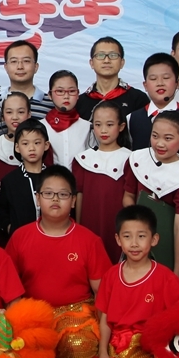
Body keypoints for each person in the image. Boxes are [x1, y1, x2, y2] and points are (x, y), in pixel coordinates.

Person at [6, 165, 110, 358]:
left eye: (63, 194)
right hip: (34, 314)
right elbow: (8, 291)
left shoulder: (89, 240)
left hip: (76, 314)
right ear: (38, 198)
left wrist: (106, 344)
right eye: (48, 193)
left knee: (79, 350)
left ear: (73, 201)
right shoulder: (20, 237)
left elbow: (103, 293)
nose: (55, 199)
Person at [88, 205, 179, 358]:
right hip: (116, 346)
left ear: (154, 239)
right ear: (118, 240)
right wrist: (103, 352)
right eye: (127, 236)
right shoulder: (112, 275)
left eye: (141, 236)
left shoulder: (165, 277)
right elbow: (105, 318)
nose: (134, 243)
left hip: (145, 348)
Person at [127, 52, 179, 220]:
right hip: (142, 213)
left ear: (177, 83)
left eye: (166, 78)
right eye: (153, 78)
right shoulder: (132, 119)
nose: (160, 83)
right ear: (145, 85)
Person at [123, 112, 179, 278]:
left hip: (168, 241)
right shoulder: (137, 159)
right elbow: (128, 196)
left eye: (168, 138)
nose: (160, 143)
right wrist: (136, 227)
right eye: (155, 136)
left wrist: (178, 272)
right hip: (138, 237)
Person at [72, 100, 132, 263]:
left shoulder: (130, 159)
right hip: (90, 222)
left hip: (117, 223)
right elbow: (79, 196)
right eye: (98, 125)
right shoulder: (83, 159)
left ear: (121, 126)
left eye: (109, 124)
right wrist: (78, 228)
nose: (103, 130)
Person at [0, 41, 55, 138]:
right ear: (6, 67)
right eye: (14, 61)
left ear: (36, 67)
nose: (20, 67)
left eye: (26, 61)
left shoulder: (51, 104)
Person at [0, 118, 49, 245]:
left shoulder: (54, 178)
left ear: (46, 145)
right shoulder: (10, 180)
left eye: (37, 143)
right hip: (20, 243)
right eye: (25, 143)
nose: (32, 148)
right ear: (17, 147)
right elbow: (0, 209)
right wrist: (9, 228)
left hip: (51, 240)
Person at [76, 37, 150, 121]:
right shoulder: (79, 102)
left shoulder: (138, 99)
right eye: (100, 55)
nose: (106, 60)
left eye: (113, 55)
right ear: (92, 63)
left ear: (122, 62)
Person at [0, 92, 31, 196]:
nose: (15, 117)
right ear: (2, 116)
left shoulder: (40, 145)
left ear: (29, 114)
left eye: (21, 112)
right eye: (9, 112)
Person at [44, 70, 91, 165]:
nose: (66, 96)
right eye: (60, 91)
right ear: (50, 95)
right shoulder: (41, 127)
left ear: (78, 94)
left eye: (72, 91)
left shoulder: (88, 127)